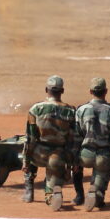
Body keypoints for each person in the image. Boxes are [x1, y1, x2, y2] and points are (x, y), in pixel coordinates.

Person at [22, 75, 77, 211]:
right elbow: (72, 141)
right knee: (53, 181)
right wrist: (69, 166)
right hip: (57, 158)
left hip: (38, 155)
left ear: (46, 90)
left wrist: (25, 162)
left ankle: (29, 187)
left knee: (28, 148)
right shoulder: (71, 111)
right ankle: (51, 194)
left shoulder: (35, 109)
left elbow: (30, 139)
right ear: (62, 91)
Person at [75, 77, 110, 212]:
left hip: (85, 154)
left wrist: (74, 161)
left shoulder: (81, 110)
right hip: (103, 156)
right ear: (106, 91)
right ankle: (96, 193)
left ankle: (79, 196)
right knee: (100, 183)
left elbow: (76, 137)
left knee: (77, 171)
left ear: (90, 91)